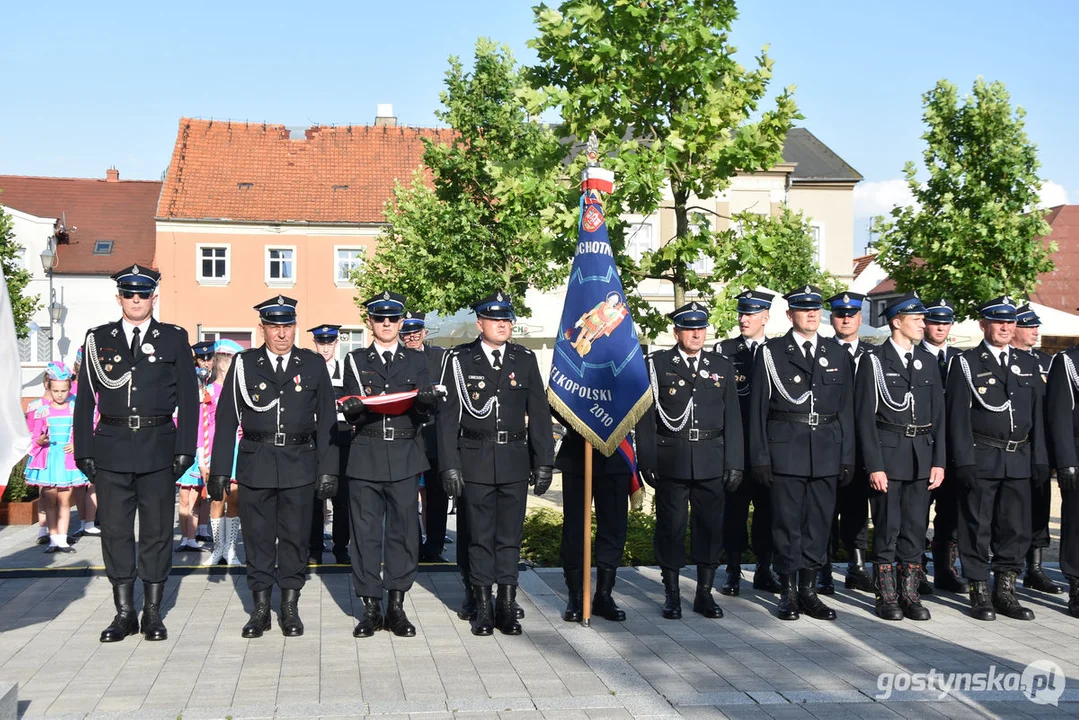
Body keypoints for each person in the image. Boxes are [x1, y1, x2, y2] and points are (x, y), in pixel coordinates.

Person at [74, 264, 198, 642]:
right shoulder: (98, 339)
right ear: (119, 299)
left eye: (143, 295)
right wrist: (84, 450)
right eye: (129, 295)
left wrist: (185, 450)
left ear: (153, 298)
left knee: (158, 532)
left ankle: (153, 613)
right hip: (110, 447)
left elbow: (190, 401)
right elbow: (84, 401)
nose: (136, 301)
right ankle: (124, 612)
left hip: (158, 446)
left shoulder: (173, 339)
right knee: (114, 532)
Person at [209, 295, 338, 638]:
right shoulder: (244, 364)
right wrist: (221, 469)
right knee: (259, 537)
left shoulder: (311, 364)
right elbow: (225, 420)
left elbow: (326, 420)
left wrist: (328, 470)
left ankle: (290, 607)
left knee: (296, 538)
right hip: (257, 462)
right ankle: (261, 608)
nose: (281, 334)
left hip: (299, 463)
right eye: (274, 326)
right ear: (262, 328)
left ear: (295, 327)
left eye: (287, 326)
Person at [438, 291, 555, 636]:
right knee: (479, 538)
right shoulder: (459, 360)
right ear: (480, 323)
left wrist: (544, 460)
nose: (503, 325)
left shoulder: (524, 358)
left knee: (509, 538)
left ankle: (507, 605)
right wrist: (449, 465)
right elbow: (447, 420)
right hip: (474, 460)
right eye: (495, 319)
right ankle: (483, 606)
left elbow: (539, 412)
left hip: (514, 461)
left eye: (507, 320)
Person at [748, 284, 855, 621]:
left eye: (815, 309)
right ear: (790, 314)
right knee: (787, 525)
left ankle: (810, 590)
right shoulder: (771, 353)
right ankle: (788, 591)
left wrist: (847, 455)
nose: (811, 314)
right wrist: (760, 457)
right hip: (786, 451)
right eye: (803, 309)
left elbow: (847, 410)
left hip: (826, 450)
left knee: (819, 525)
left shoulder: (836, 353)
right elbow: (757, 412)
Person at [340, 292, 439, 639]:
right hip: (365, 453)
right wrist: (353, 409)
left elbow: (424, 412)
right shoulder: (353, 359)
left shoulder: (416, 362)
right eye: (379, 319)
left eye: (392, 319)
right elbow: (350, 402)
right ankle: (370, 608)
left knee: (403, 533)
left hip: (404, 454)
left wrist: (425, 406)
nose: (386, 324)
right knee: (365, 535)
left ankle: (396, 605)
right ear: (370, 322)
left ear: (400, 323)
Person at [637, 301, 744, 621]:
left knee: (710, 527)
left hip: (712, 457)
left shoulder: (721, 365)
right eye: (690, 329)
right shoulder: (656, 364)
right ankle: (671, 593)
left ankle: (704, 594)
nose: (697, 334)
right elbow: (645, 415)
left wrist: (735, 462)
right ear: (676, 332)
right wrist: (647, 457)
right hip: (671, 457)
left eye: (701, 328)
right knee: (671, 527)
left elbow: (733, 419)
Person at [947, 295, 1047, 621]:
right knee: (977, 526)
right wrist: (962, 461)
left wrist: (1040, 460)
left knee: (1015, 528)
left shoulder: (1028, 364)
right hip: (982, 455)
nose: (1005, 327)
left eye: (1010, 321)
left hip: (1019, 457)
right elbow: (957, 418)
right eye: (997, 321)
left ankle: (1005, 591)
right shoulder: (966, 363)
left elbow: (1038, 418)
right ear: (983, 324)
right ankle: (979, 591)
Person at [854, 294, 945, 620]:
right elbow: (864, 417)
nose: (924, 323)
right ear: (896, 321)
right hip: (889, 456)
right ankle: (886, 594)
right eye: (917, 318)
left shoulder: (928, 361)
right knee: (887, 527)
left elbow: (940, 415)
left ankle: (910, 592)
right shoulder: (874, 361)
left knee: (915, 528)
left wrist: (939, 460)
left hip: (922, 455)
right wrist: (874, 465)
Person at [716, 291, 781, 596]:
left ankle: (765, 568)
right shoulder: (725, 351)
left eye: (751, 314)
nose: (743, 319)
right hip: (738, 449)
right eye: (741, 314)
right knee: (734, 512)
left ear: (766, 317)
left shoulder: (778, 352)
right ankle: (732, 569)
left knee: (768, 511)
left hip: (769, 449)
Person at [818, 292, 874, 594]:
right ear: (833, 319)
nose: (846, 319)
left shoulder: (872, 354)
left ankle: (857, 565)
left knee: (856, 508)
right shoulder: (821, 351)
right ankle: (822, 567)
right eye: (840, 315)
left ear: (860, 319)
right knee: (824, 508)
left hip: (863, 446)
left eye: (851, 315)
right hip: (829, 443)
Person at [557, 422, 630, 622]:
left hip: (615, 454)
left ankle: (604, 595)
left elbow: (640, 399)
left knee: (613, 528)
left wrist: (649, 459)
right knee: (575, 530)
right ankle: (576, 596)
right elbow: (556, 398)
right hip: (577, 454)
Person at [1012, 305, 1062, 594]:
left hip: (1041, 446)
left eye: (1036, 326)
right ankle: (1010, 565)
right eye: (1029, 326)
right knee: (1011, 510)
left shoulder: (1048, 362)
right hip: (1014, 444)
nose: (1036, 331)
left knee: (1040, 506)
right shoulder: (1008, 361)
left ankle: (1035, 566)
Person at [920, 298, 965, 594]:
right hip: (921, 446)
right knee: (916, 514)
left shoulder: (962, 360)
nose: (940, 327)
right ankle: (917, 570)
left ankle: (946, 569)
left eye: (945, 322)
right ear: (924, 323)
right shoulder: (912, 355)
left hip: (953, 448)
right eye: (935, 321)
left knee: (952, 514)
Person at [400, 312, 451, 564]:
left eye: (416, 331)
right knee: (406, 497)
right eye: (407, 332)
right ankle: (410, 546)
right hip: (406, 436)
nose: (411, 336)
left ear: (424, 332)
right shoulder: (395, 359)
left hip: (433, 435)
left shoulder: (440, 358)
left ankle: (434, 547)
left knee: (437, 496)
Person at [25, 362, 88, 553]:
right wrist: (40, 440)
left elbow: (84, 430)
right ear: (49, 388)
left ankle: (62, 539)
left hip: (67, 461)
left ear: (69, 388)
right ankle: (53, 539)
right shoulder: (41, 410)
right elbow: (33, 436)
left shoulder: (75, 407)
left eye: (63, 390)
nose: (60, 394)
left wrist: (77, 445)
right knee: (50, 500)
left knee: (65, 501)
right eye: (56, 390)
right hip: (49, 460)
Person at [307, 324, 351, 566]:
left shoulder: (346, 369)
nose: (325, 347)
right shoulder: (308, 369)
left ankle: (341, 546)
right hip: (314, 437)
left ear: (336, 343)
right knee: (315, 496)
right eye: (321, 342)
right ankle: (314, 547)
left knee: (342, 497)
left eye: (329, 342)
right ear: (315, 343)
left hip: (341, 436)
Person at [201, 340, 243, 567]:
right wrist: (202, 459)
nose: (225, 367)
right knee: (217, 499)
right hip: (214, 450)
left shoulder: (241, 392)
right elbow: (202, 425)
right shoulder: (208, 391)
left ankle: (231, 549)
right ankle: (218, 549)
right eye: (223, 362)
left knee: (235, 498)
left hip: (238, 449)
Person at [1045, 340, 1079, 616]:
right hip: (1078, 454)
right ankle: (1077, 582)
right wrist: (1066, 461)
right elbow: (1059, 415)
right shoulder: (1068, 361)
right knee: (1077, 523)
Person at [176, 341, 217, 554]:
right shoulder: (190, 380)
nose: (207, 363)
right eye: (203, 358)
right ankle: (187, 537)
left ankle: (201, 529)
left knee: (204, 491)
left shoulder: (216, 379)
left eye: (210, 358)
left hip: (210, 441)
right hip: (192, 440)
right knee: (188, 494)